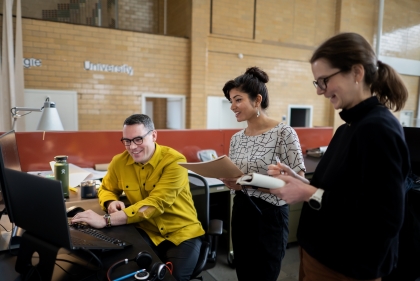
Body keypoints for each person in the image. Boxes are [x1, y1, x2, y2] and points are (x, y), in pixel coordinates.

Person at [267, 32, 410, 281]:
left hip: (346, 267)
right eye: (317, 83)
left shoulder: (378, 128)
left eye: (324, 80)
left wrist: (309, 193)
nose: (320, 91)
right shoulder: (348, 127)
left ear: (356, 73)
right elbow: (339, 191)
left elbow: (384, 217)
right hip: (320, 255)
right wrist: (301, 183)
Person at [71, 114, 205, 281]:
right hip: (145, 231)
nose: (132, 147)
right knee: (122, 272)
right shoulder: (119, 162)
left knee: (172, 278)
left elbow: (155, 204)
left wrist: (106, 219)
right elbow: (106, 188)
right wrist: (110, 201)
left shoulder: (175, 161)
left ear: (154, 135)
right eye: (127, 141)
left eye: (138, 139)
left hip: (182, 233)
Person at [220, 66, 306, 281]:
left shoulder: (283, 132)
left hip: (270, 216)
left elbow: (299, 182)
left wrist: (248, 184)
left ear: (257, 100)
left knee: (264, 275)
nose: (232, 106)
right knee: (244, 274)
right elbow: (238, 176)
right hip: (241, 211)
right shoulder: (236, 138)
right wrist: (231, 181)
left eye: (238, 100)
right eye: (231, 101)